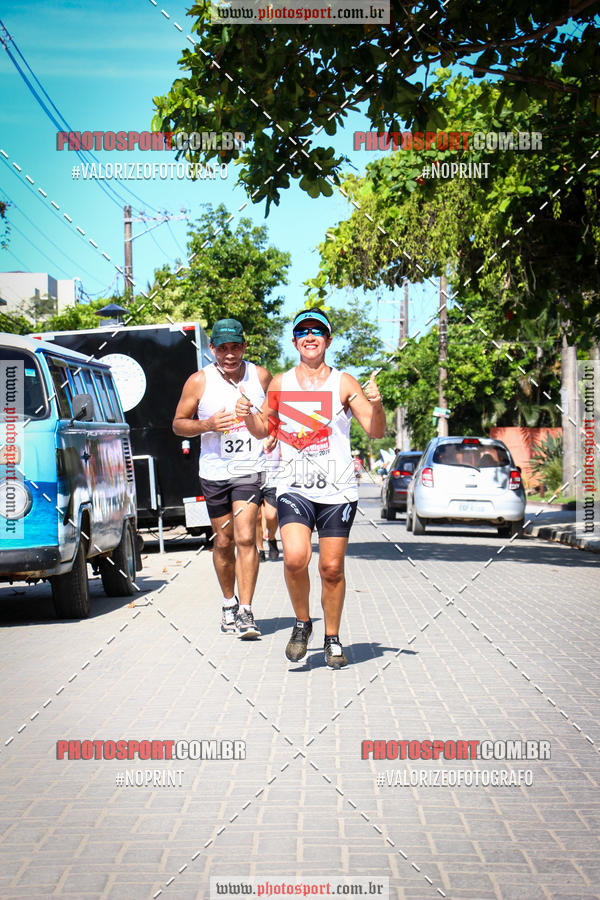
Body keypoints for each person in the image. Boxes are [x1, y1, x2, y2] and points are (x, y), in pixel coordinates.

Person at [236, 308, 385, 669]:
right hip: (294, 486)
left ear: (328, 340)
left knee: (331, 568)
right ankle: (302, 624)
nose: (310, 336)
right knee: (296, 558)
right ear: (294, 341)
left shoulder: (345, 383)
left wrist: (377, 403)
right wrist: (246, 414)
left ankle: (332, 638)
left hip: (337, 490)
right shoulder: (281, 384)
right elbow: (265, 431)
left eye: (317, 330)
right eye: (302, 331)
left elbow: (376, 431)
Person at [173, 318, 272, 638]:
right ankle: (228, 603)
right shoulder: (199, 381)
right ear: (212, 349)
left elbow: (274, 420)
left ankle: (246, 610)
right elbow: (177, 424)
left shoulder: (260, 377)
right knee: (224, 541)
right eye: (223, 348)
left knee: (246, 537)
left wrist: (267, 431)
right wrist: (208, 425)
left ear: (244, 346)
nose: (230, 354)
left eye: (236, 347)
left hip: (248, 469)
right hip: (214, 472)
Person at [256, 441, 280, 561]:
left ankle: (271, 539)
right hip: (253, 478)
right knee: (257, 517)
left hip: (272, 479)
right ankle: (260, 549)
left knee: (271, 515)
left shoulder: (277, 432)